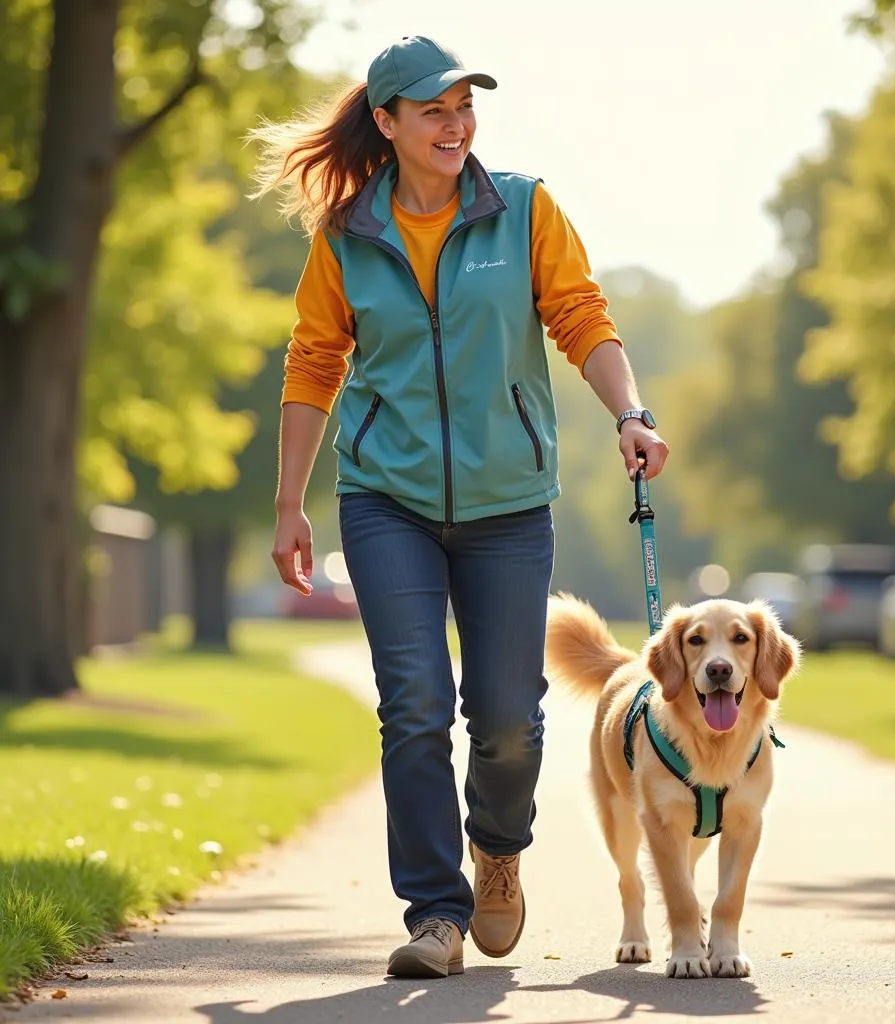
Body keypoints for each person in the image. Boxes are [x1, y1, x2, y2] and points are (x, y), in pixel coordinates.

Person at [251, 35, 668, 979]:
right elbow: (314, 363)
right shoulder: (347, 236)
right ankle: (434, 914)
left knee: (509, 718)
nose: (454, 124)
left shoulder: (521, 209)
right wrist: (290, 502)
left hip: (507, 502)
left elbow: (581, 317)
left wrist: (631, 412)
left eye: (464, 107)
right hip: (385, 499)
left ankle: (500, 852)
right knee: (412, 706)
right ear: (388, 123)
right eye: (432, 110)